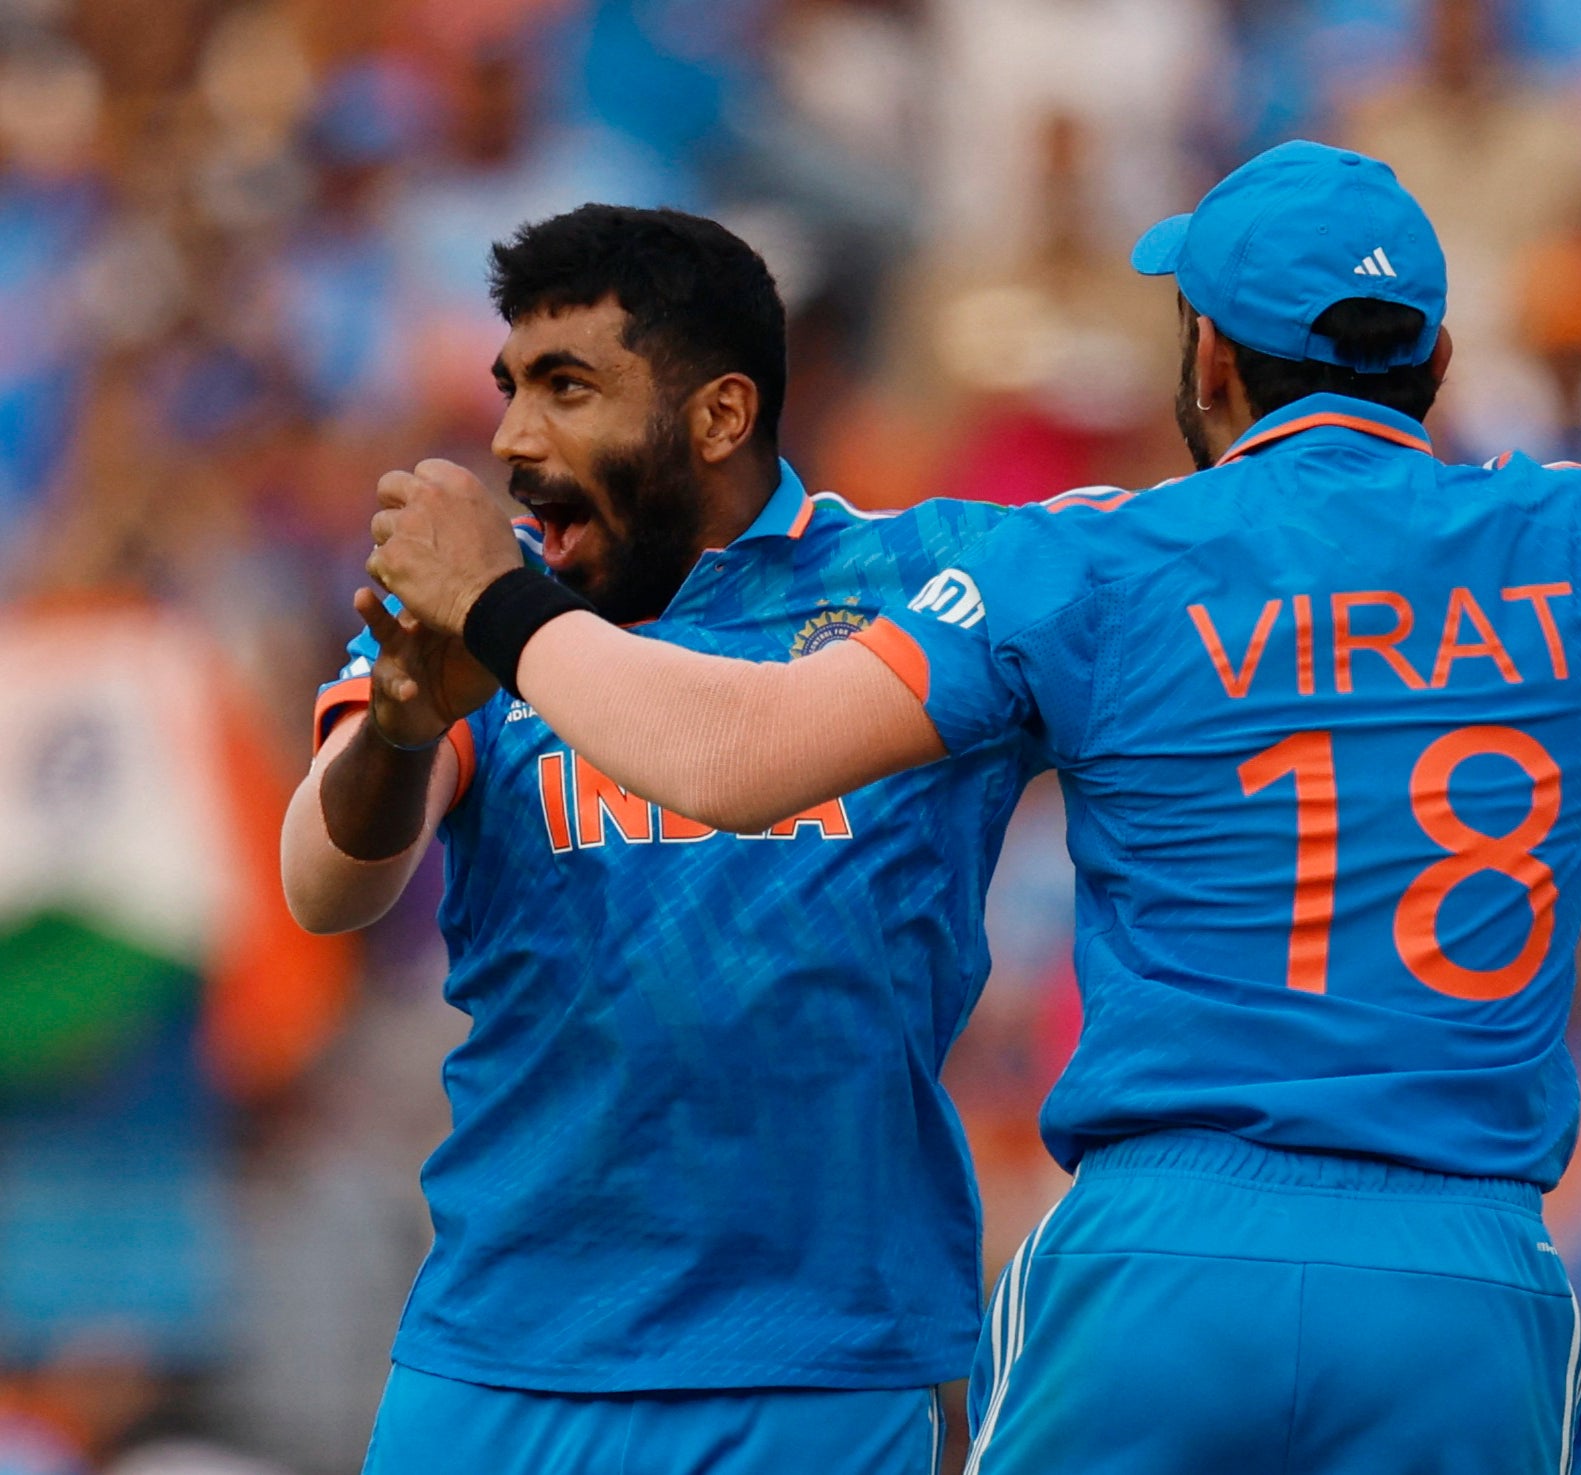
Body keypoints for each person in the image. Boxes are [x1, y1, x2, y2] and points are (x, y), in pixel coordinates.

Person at [364, 146, 1581, 1473]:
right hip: (1459, 1265)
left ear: (1205, 358)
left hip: (1152, 1259)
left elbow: (731, 756)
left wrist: (498, 608)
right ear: (1437, 367)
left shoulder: (1094, 564)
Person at [281, 205, 1040, 1475]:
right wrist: (402, 729)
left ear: (720, 416)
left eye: (569, 388)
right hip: (501, 1346)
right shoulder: (475, 597)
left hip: (820, 1358)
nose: (515, 439)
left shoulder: (928, 585)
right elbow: (324, 885)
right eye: (509, 386)